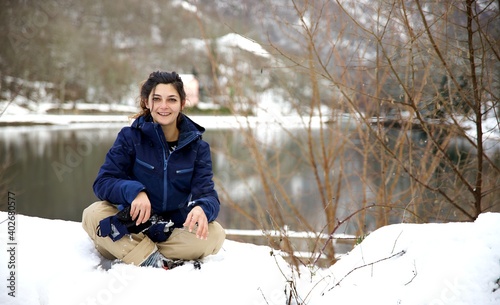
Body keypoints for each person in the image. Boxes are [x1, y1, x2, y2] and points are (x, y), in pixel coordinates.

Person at [82, 71, 225, 269]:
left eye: (171, 100)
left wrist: (202, 208)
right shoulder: (130, 137)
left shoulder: (198, 148)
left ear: (182, 103)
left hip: (171, 231)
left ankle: (138, 253)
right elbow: (103, 183)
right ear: (147, 102)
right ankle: (153, 260)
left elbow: (207, 194)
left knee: (215, 233)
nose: (164, 106)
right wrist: (135, 191)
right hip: (131, 227)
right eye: (157, 99)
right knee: (93, 214)